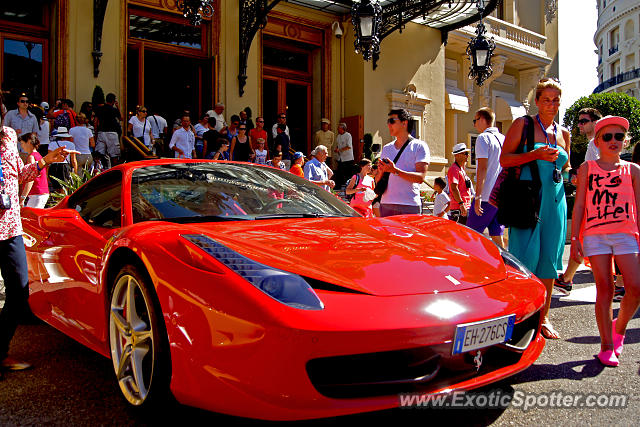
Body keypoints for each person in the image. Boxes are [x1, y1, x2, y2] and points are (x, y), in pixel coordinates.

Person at [500, 78, 570, 340]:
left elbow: (565, 167)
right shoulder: (524, 124)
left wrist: (571, 173)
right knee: (523, 259)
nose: (551, 104)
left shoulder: (564, 133)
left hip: (555, 201)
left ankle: (544, 317)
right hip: (527, 199)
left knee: (549, 262)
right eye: (546, 99)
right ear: (538, 101)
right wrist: (535, 155)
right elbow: (504, 159)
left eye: (556, 100)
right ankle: (518, 315)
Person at [0, 124, 72, 376]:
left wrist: (46, 162)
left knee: (19, 292)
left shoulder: (8, 136)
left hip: (10, 229)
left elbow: (19, 176)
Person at [570, 115, 640, 367]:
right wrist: (575, 237)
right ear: (597, 141)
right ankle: (606, 345)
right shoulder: (587, 168)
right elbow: (579, 206)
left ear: (625, 141)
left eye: (619, 136)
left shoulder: (633, 170)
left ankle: (618, 328)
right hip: (595, 235)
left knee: (635, 287)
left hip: (626, 235)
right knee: (605, 289)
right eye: (607, 137)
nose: (614, 141)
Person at [554, 107, 603, 295]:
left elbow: (596, 173)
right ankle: (566, 279)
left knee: (587, 238)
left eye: (584, 121)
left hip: (596, 201)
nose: (580, 125)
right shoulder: (595, 142)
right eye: (579, 121)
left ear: (595, 121)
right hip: (598, 200)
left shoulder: (594, 143)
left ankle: (619, 284)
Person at [377, 109, 430, 217]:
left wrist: (395, 171)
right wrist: (381, 172)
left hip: (409, 204)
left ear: (404, 123)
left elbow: (420, 178)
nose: (388, 125)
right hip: (386, 204)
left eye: (392, 121)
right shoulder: (387, 148)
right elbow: (378, 179)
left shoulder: (419, 146)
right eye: (387, 121)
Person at [466, 107, 505, 245]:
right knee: (496, 235)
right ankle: (502, 264)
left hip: (486, 196)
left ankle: (472, 264)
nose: (474, 124)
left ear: (482, 119)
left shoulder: (483, 138)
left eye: (475, 120)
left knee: (469, 235)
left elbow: (482, 168)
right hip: (500, 196)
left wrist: (477, 197)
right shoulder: (503, 139)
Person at [18, 133, 49, 208]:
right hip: (40, 192)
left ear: (28, 142)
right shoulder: (38, 155)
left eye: (22, 143)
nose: (21, 146)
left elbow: (31, 178)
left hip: (37, 193)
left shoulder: (31, 157)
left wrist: (22, 197)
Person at [447, 143, 474, 224]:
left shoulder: (461, 169)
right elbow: (454, 188)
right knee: (459, 234)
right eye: (465, 153)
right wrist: (461, 204)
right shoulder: (454, 169)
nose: (468, 156)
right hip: (459, 208)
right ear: (457, 155)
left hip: (464, 207)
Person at [94, 92, 122, 166]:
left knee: (99, 153)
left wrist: (96, 132)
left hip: (101, 132)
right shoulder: (114, 110)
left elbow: (95, 122)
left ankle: (98, 170)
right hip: (112, 133)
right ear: (113, 101)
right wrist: (118, 106)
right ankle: (114, 170)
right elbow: (121, 118)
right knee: (114, 155)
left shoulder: (99, 109)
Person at [335, 122, 354, 188]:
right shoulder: (338, 136)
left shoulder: (348, 135)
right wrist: (337, 149)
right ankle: (340, 186)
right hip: (341, 158)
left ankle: (349, 186)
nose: (337, 129)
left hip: (348, 158)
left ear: (342, 129)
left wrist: (339, 150)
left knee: (348, 173)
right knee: (340, 172)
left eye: (339, 128)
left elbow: (349, 146)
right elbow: (338, 145)